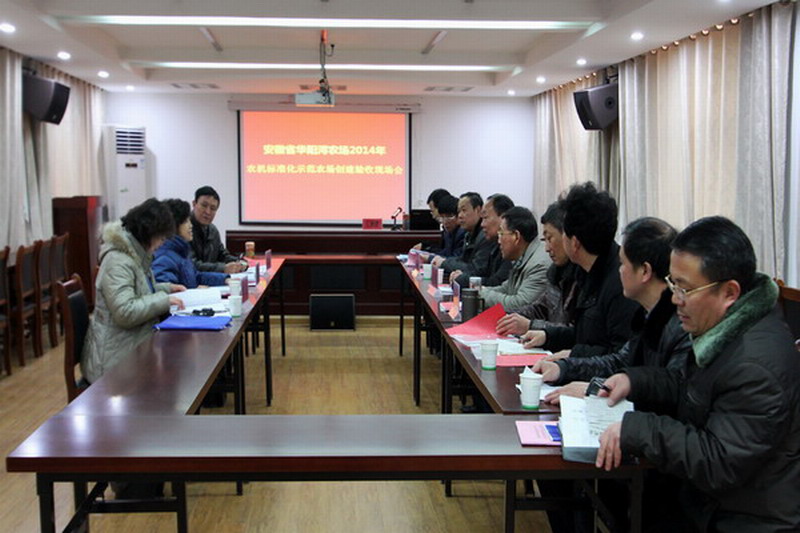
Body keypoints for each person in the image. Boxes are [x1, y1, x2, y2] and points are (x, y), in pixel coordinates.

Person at [597, 216, 800, 532]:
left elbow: (719, 461)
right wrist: (634, 380)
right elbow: (690, 387)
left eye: (685, 289)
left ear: (729, 292)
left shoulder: (755, 364)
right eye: (673, 283)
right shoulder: (726, 327)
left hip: (745, 519)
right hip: (711, 502)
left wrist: (638, 428)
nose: (675, 299)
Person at [536, 217, 690, 405]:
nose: (619, 271)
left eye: (623, 264)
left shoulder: (681, 324)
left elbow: (665, 397)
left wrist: (594, 389)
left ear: (645, 271)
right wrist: (563, 368)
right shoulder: (650, 315)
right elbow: (620, 362)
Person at [521, 182, 638, 358]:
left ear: (574, 243)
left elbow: (620, 356)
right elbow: (585, 335)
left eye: (563, 234)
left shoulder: (620, 282)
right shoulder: (584, 271)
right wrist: (548, 336)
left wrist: (571, 356)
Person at [82, 198, 186, 383]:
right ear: (148, 233)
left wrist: (167, 289)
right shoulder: (118, 261)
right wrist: (164, 300)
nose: (161, 243)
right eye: (161, 238)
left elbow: (140, 290)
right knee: (178, 374)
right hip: (113, 361)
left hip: (131, 346)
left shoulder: (136, 254)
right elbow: (125, 311)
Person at [496, 201, 580, 335]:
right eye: (544, 240)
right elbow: (540, 308)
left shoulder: (581, 276)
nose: (547, 248)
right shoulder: (557, 272)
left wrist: (530, 326)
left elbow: (574, 332)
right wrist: (508, 318)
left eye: (549, 238)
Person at [478, 206, 551, 310]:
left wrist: (483, 293)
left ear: (516, 236)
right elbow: (507, 289)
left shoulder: (539, 265)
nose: (499, 241)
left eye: (501, 233)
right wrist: (479, 291)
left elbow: (519, 304)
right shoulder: (523, 258)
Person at [153, 199, 229, 288]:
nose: (190, 225)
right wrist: (194, 291)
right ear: (173, 225)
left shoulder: (181, 252)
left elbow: (196, 277)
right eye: (186, 222)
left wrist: (224, 279)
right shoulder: (165, 256)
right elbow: (167, 291)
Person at [450, 193, 514, 288]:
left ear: (503, 218)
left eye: (486, 218)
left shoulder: (512, 248)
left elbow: (496, 283)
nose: (482, 224)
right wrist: (464, 275)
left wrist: (464, 279)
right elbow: (485, 275)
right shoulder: (495, 243)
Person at [432, 192, 492, 276]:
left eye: (464, 210)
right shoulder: (469, 234)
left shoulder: (485, 236)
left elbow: (476, 269)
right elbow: (461, 260)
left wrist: (443, 263)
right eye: (459, 211)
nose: (460, 216)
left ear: (478, 210)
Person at [190, 186, 246, 274]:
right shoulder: (184, 229)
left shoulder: (213, 230)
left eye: (213, 208)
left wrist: (239, 262)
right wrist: (223, 268)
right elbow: (192, 265)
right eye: (204, 205)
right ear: (194, 204)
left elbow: (223, 255)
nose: (208, 212)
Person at [418, 194, 465, 259]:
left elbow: (456, 259)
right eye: (442, 217)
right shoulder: (447, 232)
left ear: (459, 215)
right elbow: (445, 253)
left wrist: (430, 258)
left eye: (449, 216)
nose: (445, 221)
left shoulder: (463, 233)